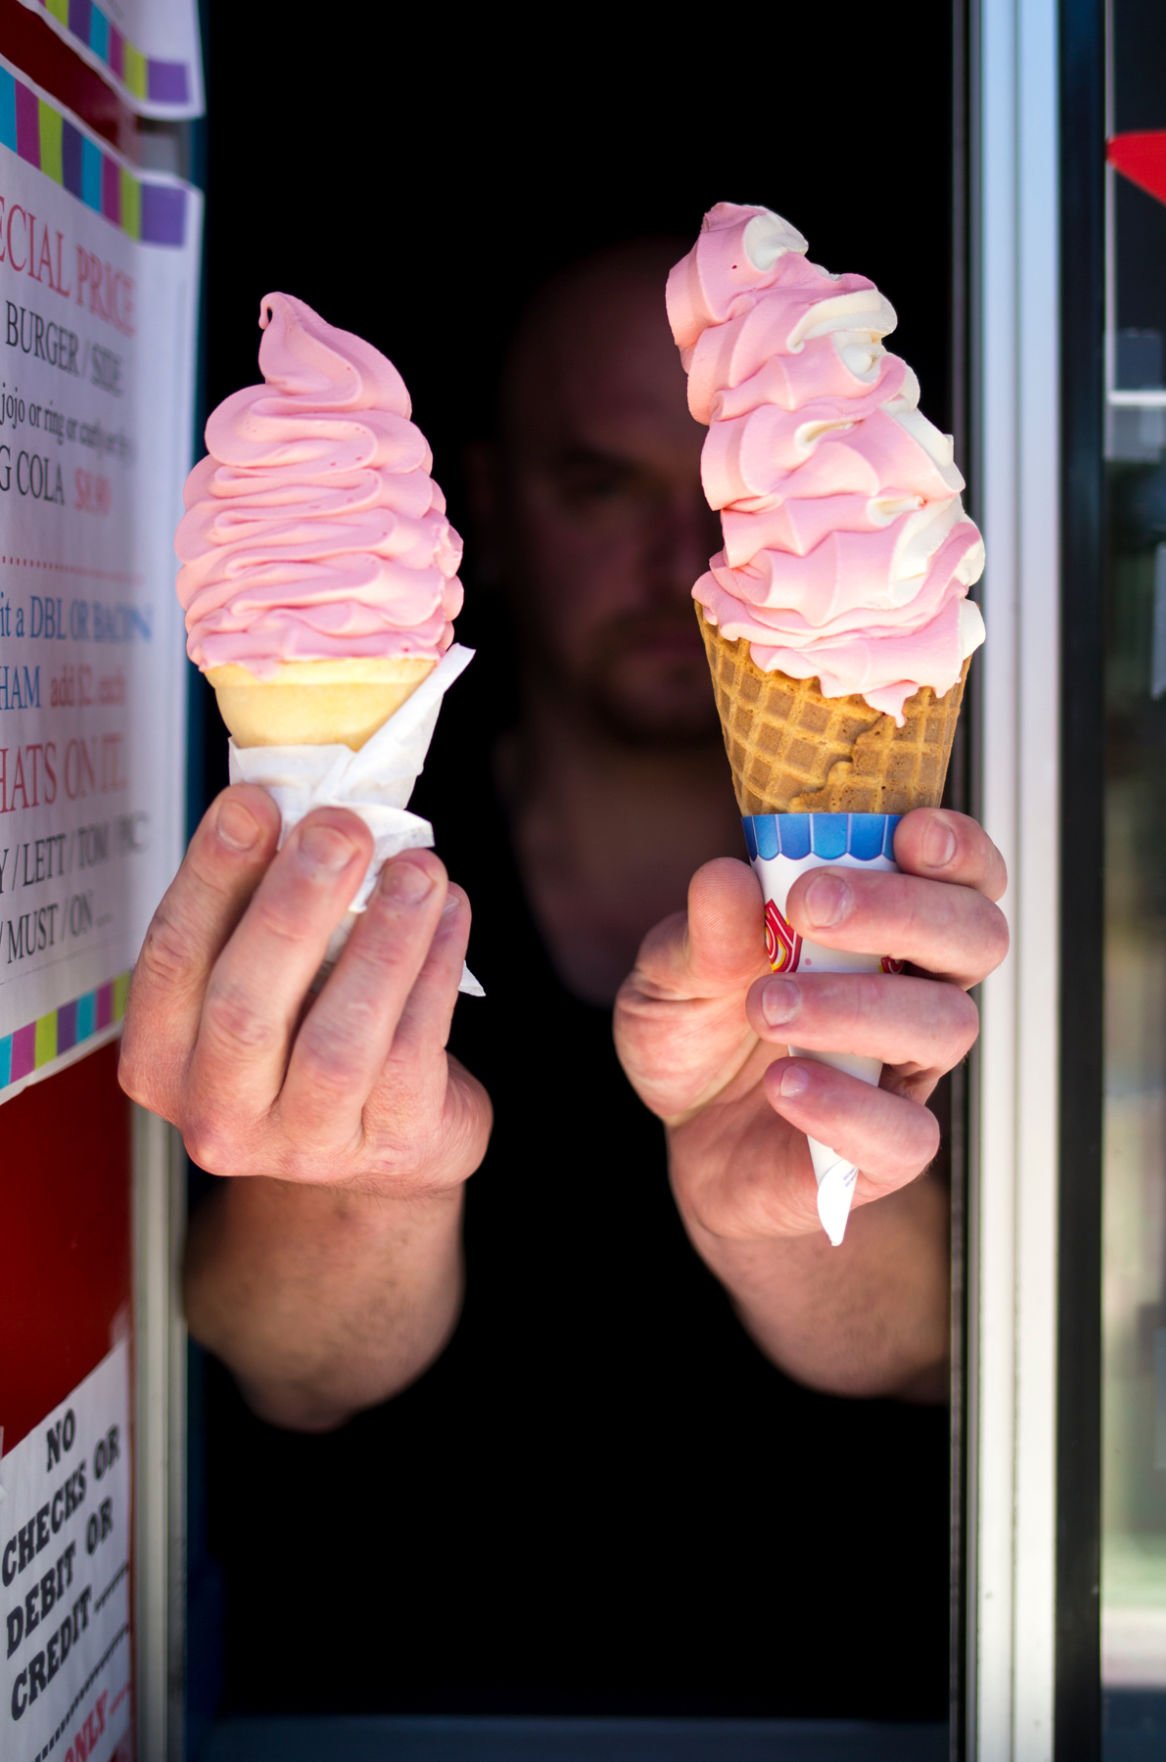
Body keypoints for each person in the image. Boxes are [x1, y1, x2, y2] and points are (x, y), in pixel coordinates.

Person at [120, 239, 1008, 1717]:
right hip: (378, 1689)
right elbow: (288, 1374)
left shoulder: (937, 876)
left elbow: (937, 1353)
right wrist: (367, 1179)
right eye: (603, 486)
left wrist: (800, 1204)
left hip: (854, 1686)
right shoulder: (350, 859)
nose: (685, 558)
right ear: (488, 502)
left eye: (733, 497)